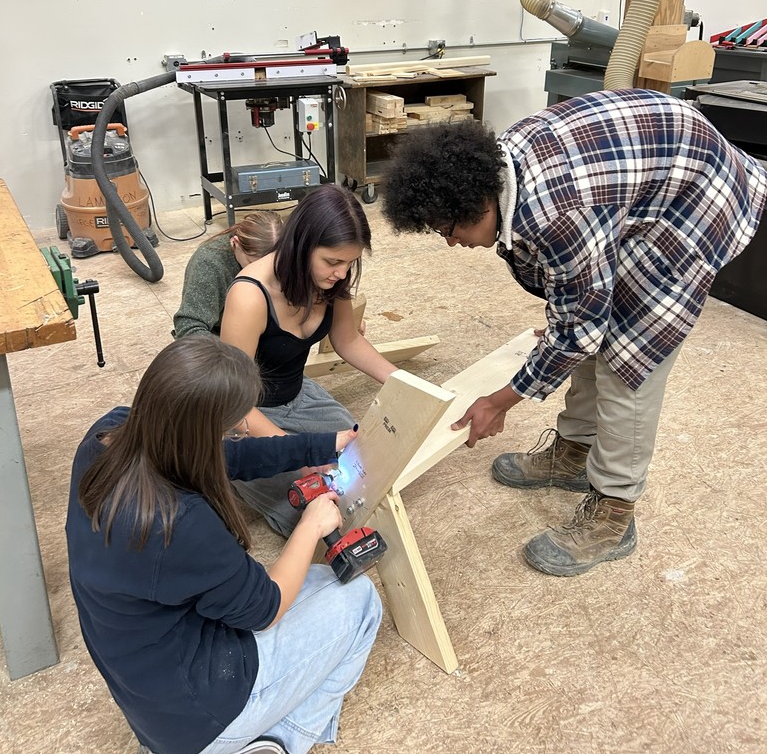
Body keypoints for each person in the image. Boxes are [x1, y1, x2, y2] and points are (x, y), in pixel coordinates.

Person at [380, 88, 767, 577]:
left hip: (695, 196)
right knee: (587, 322)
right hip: (650, 168)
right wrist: (567, 328)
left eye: (448, 229)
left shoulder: (555, 214)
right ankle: (576, 453)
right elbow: (576, 310)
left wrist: (501, 400)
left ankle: (615, 511)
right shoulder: (498, 168)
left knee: (632, 356)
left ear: (476, 200)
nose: (451, 243)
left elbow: (582, 326)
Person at [66, 336, 382, 754]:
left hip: (146, 690)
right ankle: (275, 744)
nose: (236, 436)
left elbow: (224, 458)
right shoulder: (179, 522)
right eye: (232, 428)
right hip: (196, 719)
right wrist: (310, 526)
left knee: (314, 582)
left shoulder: (108, 434)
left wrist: (322, 445)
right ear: (203, 430)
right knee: (360, 600)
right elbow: (266, 610)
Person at [220, 184, 398, 535]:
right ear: (301, 246)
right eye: (332, 262)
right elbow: (234, 403)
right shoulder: (249, 295)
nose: (342, 273)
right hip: (244, 415)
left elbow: (347, 340)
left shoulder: (331, 281)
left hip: (298, 396)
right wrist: (297, 454)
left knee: (363, 464)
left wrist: (403, 382)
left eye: (350, 262)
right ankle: (227, 469)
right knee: (311, 512)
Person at [174, 211, 285, 339]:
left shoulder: (289, 254)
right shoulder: (209, 263)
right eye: (252, 263)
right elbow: (188, 326)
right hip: (221, 338)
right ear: (235, 243)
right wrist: (229, 351)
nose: (263, 273)